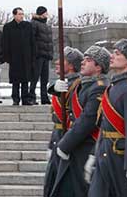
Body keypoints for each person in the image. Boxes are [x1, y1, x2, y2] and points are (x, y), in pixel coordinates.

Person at [86, 39, 127, 197]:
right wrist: (93, 154)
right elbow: (104, 126)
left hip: (120, 158)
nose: (112, 56)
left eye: (117, 53)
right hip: (105, 154)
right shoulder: (114, 86)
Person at [49, 46, 110, 197]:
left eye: (88, 60)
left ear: (99, 67)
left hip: (85, 145)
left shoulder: (98, 87)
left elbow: (87, 121)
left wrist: (64, 145)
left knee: (81, 189)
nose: (83, 62)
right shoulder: (85, 84)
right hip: (73, 143)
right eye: (83, 59)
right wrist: (53, 87)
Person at [44, 47, 83, 197]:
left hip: (68, 138)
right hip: (58, 136)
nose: (57, 62)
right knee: (51, 182)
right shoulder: (62, 83)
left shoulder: (78, 85)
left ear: (72, 65)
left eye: (63, 60)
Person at [3, 7, 35, 106]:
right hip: (14, 57)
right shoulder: (8, 27)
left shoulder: (28, 26)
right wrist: (7, 57)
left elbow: (32, 42)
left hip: (26, 57)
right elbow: (5, 43)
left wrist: (33, 55)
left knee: (25, 80)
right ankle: (15, 98)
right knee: (15, 80)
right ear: (14, 15)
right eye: (20, 14)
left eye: (22, 14)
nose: (22, 16)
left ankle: (25, 98)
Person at [30, 6, 54, 105]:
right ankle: (31, 96)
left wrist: (50, 53)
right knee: (35, 77)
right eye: (45, 12)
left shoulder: (47, 25)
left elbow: (49, 41)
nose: (46, 14)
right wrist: (34, 52)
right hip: (38, 55)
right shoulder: (34, 24)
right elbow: (32, 40)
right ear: (41, 13)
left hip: (46, 55)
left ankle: (44, 97)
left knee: (45, 78)